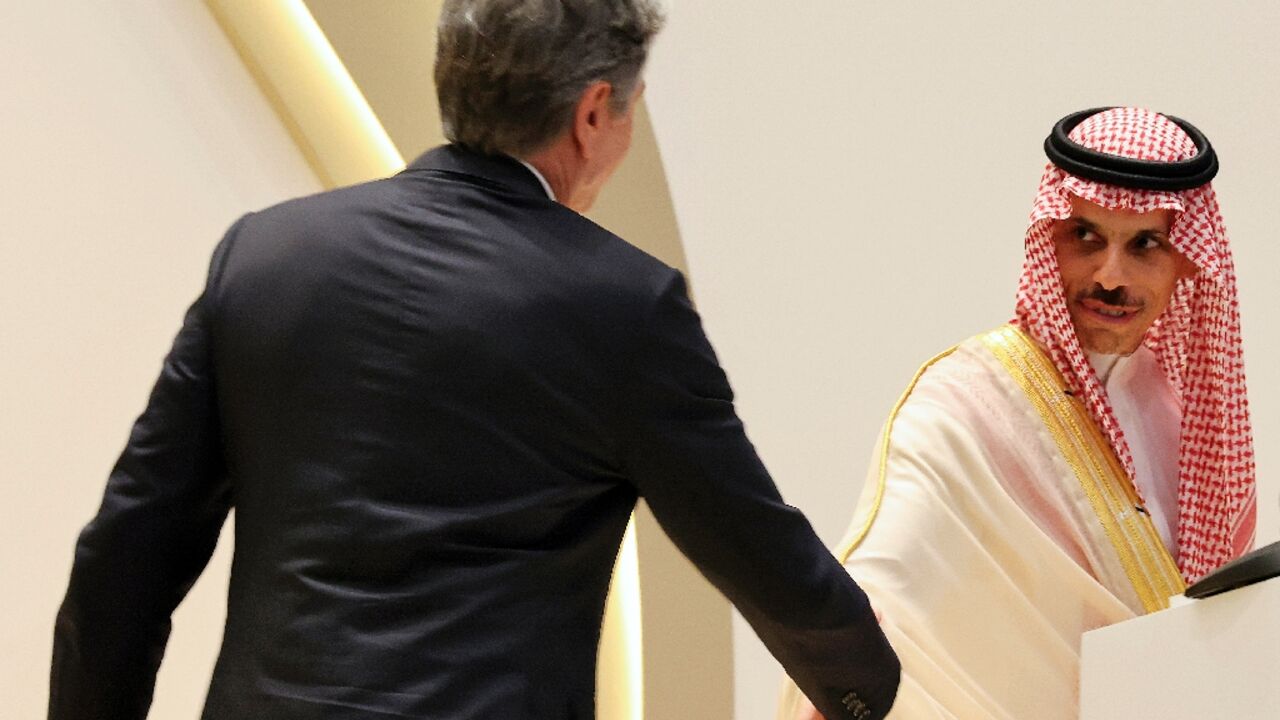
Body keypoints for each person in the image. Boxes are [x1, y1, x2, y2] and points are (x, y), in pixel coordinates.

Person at [50, 1, 901, 718]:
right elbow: (752, 544)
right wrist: (868, 686)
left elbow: (128, 553)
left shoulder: (266, 256)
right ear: (595, 111)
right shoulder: (622, 307)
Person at [780, 106, 1256, 720]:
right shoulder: (966, 402)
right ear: (1048, 238)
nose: (1111, 276)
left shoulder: (1185, 420)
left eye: (1146, 244)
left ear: (1186, 262)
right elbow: (886, 583)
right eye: (1087, 237)